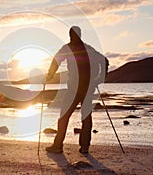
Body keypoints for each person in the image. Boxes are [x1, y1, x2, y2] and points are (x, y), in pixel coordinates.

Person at [45, 26, 109, 154]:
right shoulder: (88, 48)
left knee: (64, 116)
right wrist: (100, 78)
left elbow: (56, 61)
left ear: (70, 35)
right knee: (86, 117)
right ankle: (85, 147)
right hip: (88, 88)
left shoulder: (67, 48)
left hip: (74, 88)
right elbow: (104, 61)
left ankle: (58, 146)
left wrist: (50, 75)